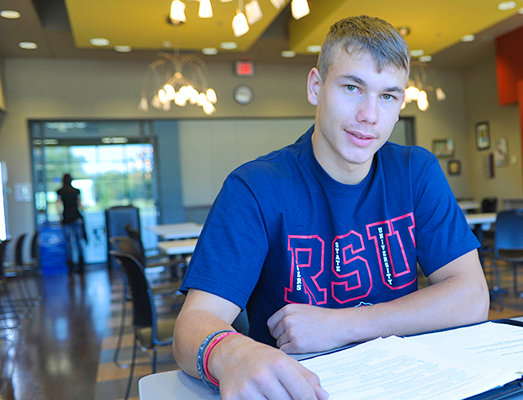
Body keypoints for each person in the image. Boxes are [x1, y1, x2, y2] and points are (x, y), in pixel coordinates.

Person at [174, 15, 489, 400]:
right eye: (353, 88)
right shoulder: (255, 187)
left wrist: (344, 324)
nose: (370, 115)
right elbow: (193, 325)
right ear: (316, 86)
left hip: (406, 382)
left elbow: (472, 295)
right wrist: (232, 353)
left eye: (387, 96)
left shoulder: (414, 171)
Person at [56, 173, 85, 273]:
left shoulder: (60, 192)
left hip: (66, 218)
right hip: (76, 217)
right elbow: (80, 205)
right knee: (78, 241)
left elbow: (58, 206)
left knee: (68, 243)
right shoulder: (76, 191)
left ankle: (71, 266)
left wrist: (60, 217)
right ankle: (81, 265)